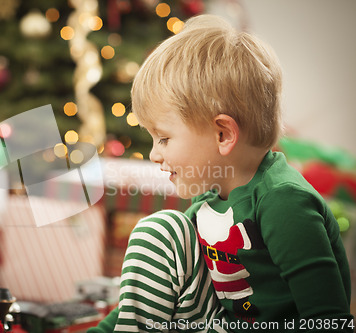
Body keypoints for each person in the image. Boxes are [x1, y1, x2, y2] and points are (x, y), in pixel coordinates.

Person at [89, 14, 353, 332]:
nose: (154, 154)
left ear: (223, 135)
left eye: (164, 138)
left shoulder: (284, 202)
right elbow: (143, 302)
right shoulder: (210, 197)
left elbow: (329, 318)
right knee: (160, 231)